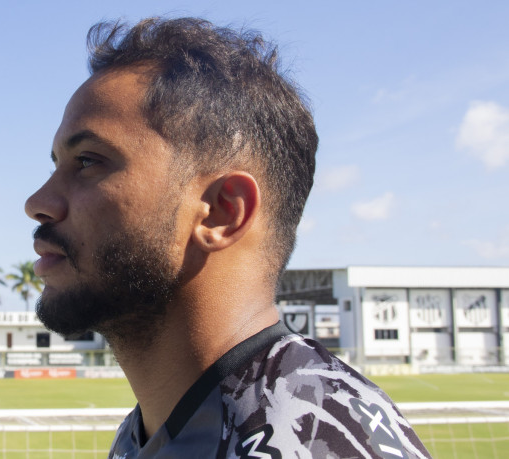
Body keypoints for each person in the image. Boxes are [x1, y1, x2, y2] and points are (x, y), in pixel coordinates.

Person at [24, 17, 430, 458]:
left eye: (87, 161)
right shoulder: (156, 427)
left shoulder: (312, 442)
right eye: (56, 165)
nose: (38, 202)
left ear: (221, 212)